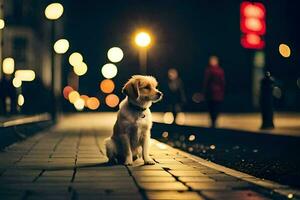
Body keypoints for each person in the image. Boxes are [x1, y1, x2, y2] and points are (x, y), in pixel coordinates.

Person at [203, 56, 225, 128]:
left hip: (212, 93)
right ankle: (214, 121)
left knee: (212, 108)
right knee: (215, 108)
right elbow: (222, 82)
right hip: (215, 94)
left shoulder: (209, 70)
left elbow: (206, 82)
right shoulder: (219, 70)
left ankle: (213, 121)